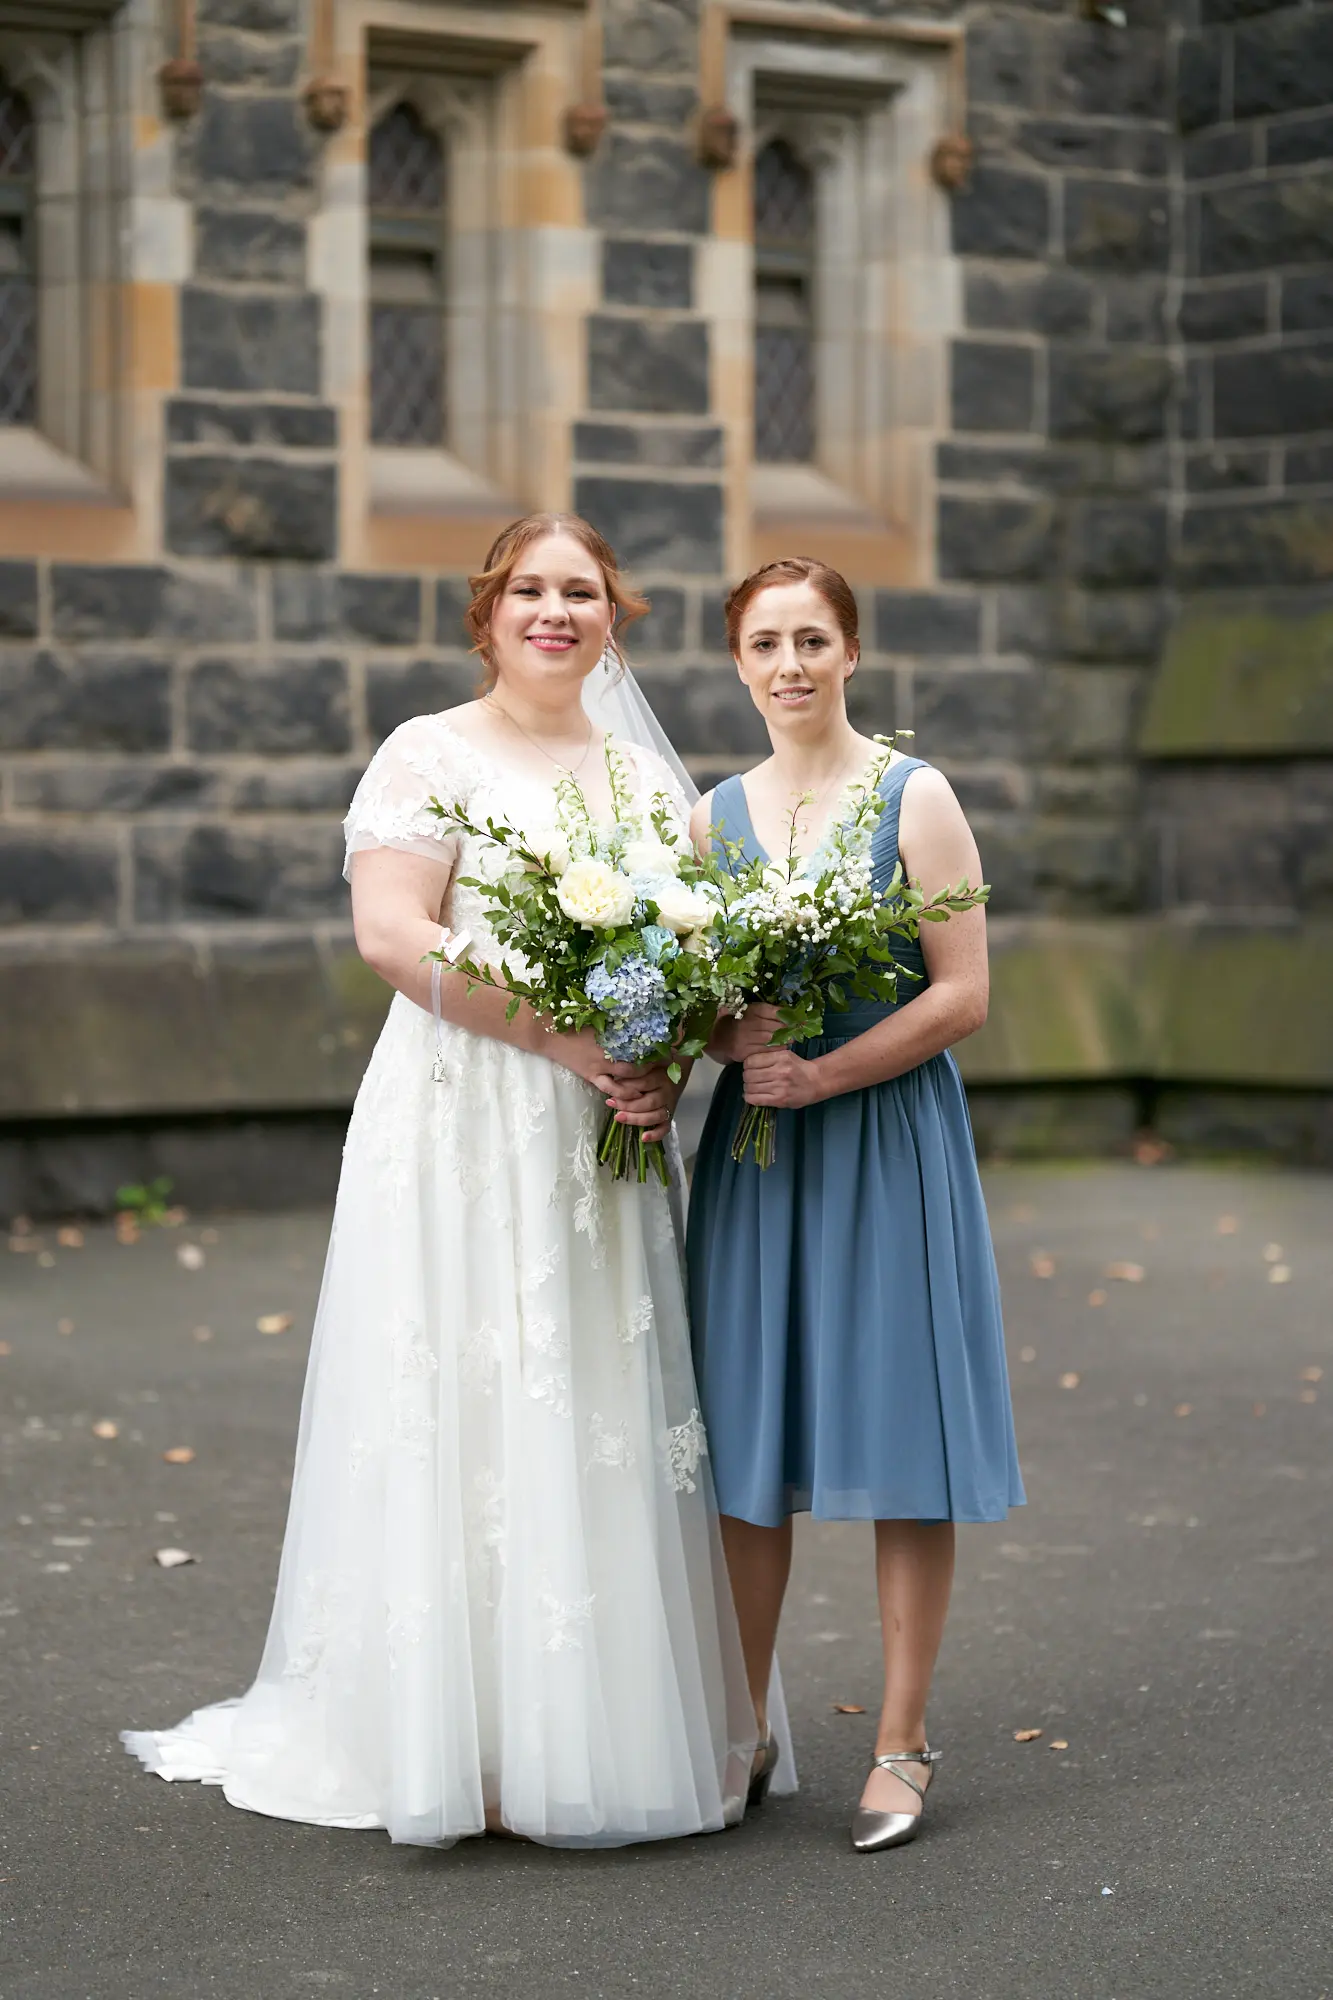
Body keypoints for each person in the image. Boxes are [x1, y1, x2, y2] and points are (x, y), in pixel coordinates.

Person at [123, 514, 757, 1846]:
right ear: (488, 614)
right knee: (462, 1392)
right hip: (463, 1118)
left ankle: (579, 1727)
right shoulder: (429, 751)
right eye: (530, 589)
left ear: (612, 618)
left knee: (583, 1389)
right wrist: (558, 1033)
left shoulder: (649, 787)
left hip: (600, 1135)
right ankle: (444, 1734)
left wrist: (662, 1066)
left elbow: (693, 962)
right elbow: (393, 931)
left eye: (580, 592)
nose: (555, 611)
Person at [685, 558, 1024, 1852]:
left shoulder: (913, 796)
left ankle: (901, 1741)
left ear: (852, 651)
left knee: (903, 1441)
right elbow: (701, 1015)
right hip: (759, 1158)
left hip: (883, 1138)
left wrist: (824, 1069)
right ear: (737, 661)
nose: (790, 663)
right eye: (766, 641)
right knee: (748, 1448)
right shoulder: (716, 817)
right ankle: (746, 1730)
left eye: (813, 638)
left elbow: (962, 994)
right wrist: (731, 1038)